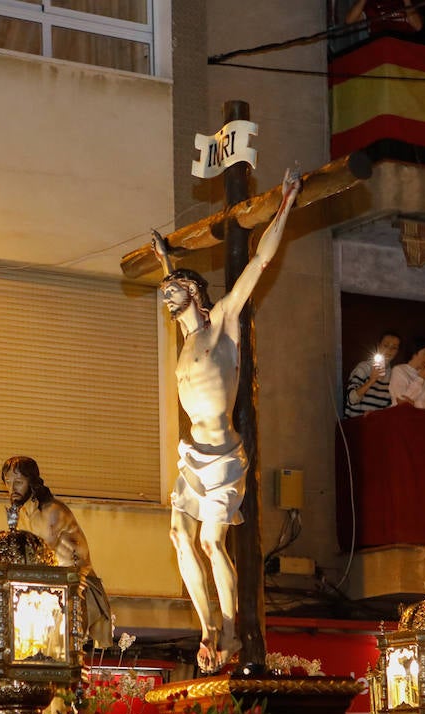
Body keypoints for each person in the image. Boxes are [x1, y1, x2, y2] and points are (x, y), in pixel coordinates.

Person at [150, 169, 301, 673]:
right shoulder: (187, 342)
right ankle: (207, 625)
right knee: (177, 536)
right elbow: (176, 284)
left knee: (213, 541)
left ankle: (232, 630)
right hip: (192, 453)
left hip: (222, 456)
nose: (164, 295)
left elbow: (260, 259)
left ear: (194, 293)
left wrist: (286, 204)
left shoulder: (225, 325)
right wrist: (166, 260)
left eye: (172, 289)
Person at [2, 456, 114, 648]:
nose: (12, 489)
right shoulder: (22, 515)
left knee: (62, 647)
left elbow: (40, 555)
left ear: (32, 482)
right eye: (8, 483)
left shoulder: (52, 511)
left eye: (18, 482)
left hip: (73, 590)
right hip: (45, 589)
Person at [345, 331, 401, 418]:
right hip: (355, 422)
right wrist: (371, 380)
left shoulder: (393, 374)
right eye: (385, 345)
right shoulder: (363, 368)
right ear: (378, 346)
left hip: (376, 424)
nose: (389, 350)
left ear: (397, 351)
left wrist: (377, 414)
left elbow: (389, 406)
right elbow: (351, 399)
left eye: (394, 348)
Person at [389, 336, 425, 409]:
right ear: (415, 352)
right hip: (403, 416)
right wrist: (421, 378)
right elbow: (401, 402)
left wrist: (415, 404)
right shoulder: (399, 370)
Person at [344, 0, 424, 36]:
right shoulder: (372, 4)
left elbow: (418, 26)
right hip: (381, 56)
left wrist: (407, 1)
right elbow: (350, 21)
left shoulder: (408, 3)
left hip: (405, 54)